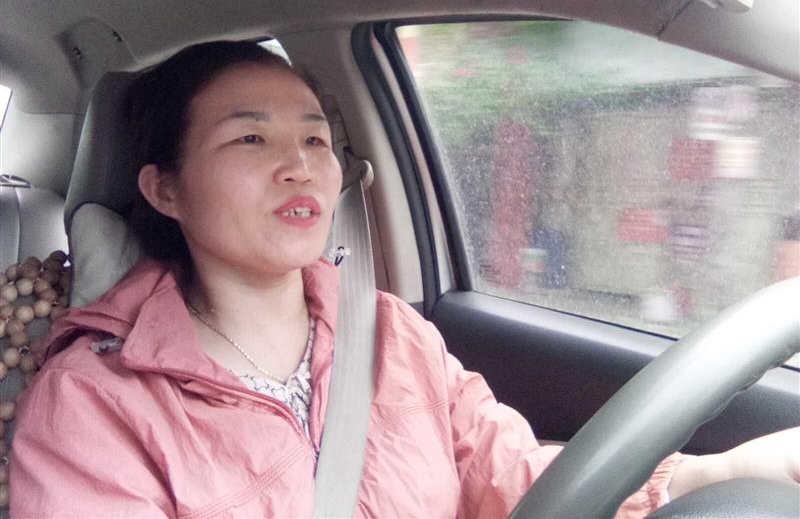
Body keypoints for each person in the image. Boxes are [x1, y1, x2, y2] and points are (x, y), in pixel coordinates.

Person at [10, 41, 799, 518]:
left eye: (316, 141)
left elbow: (510, 479)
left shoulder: (389, 332)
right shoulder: (96, 401)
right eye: (251, 139)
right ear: (165, 189)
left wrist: (719, 474)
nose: (299, 166)